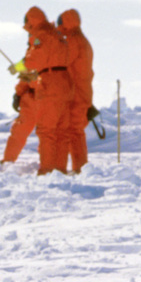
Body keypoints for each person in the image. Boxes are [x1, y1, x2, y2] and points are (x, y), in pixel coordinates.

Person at [13, 6, 72, 176]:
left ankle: (46, 170)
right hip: (65, 82)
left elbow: (35, 59)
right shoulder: (56, 34)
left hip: (50, 82)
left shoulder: (42, 35)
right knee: (61, 131)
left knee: (47, 130)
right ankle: (59, 170)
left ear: (31, 22)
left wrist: (18, 66)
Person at [57, 9, 94, 174]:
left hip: (76, 93)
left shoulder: (73, 40)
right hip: (82, 91)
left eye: (60, 23)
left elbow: (62, 60)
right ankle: (79, 167)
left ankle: (79, 168)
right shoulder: (82, 40)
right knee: (75, 130)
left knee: (73, 131)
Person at [1, 76, 37, 165]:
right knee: (19, 131)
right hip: (32, 100)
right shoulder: (29, 63)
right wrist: (17, 94)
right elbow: (25, 74)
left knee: (53, 135)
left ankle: (51, 165)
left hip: (51, 99)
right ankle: (8, 160)